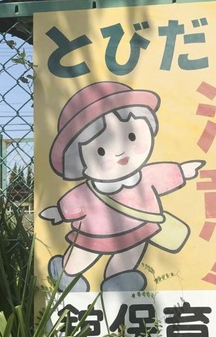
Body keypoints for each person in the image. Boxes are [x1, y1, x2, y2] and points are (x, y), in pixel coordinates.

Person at [39, 81, 204, 292]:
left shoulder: (144, 177)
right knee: (82, 255)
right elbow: (73, 201)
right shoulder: (88, 192)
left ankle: (119, 279)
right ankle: (66, 273)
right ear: (80, 161)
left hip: (137, 230)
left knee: (128, 255)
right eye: (101, 151)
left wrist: (181, 171)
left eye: (131, 136)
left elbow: (162, 174)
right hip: (93, 234)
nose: (120, 152)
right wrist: (60, 212)